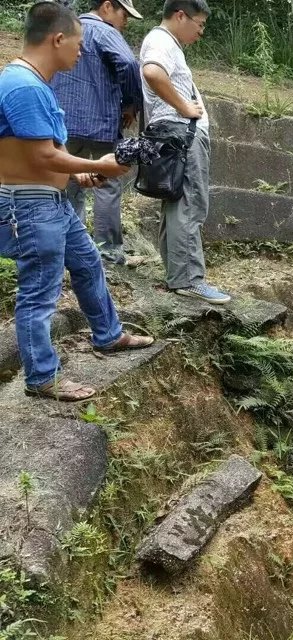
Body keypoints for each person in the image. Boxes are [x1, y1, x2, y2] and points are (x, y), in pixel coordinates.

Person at [0, 1, 151, 402]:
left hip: (50, 202)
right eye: (79, 43)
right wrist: (99, 163)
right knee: (39, 293)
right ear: (58, 38)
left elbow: (47, 149)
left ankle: (108, 334)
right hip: (29, 206)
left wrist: (78, 174)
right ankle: (42, 378)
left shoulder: (36, 83)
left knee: (87, 262)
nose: (81, 51)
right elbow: (42, 156)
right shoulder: (23, 85)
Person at [140, 0, 230, 303]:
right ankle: (189, 280)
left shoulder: (167, 43)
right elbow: (153, 73)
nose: (201, 31)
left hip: (176, 135)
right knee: (190, 205)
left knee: (177, 204)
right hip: (183, 135)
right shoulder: (161, 40)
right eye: (199, 23)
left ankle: (178, 275)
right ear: (181, 15)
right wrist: (184, 106)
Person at [49, 0, 143, 266]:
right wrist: (130, 103)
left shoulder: (67, 27)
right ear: (107, 7)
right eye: (124, 15)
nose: (125, 23)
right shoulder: (105, 31)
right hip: (100, 121)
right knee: (107, 185)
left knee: (67, 183)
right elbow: (127, 61)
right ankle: (108, 251)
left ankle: (71, 249)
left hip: (65, 121)